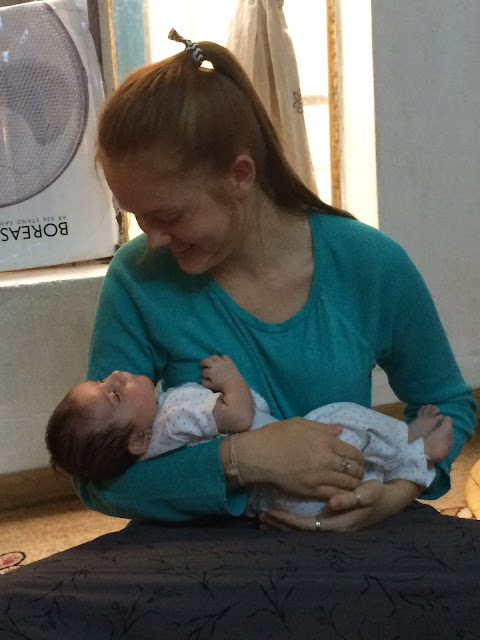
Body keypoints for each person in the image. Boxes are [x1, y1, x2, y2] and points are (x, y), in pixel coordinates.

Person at [71, 31, 477, 534]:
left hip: (348, 534)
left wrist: (397, 492)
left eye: (169, 216)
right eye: (136, 216)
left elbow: (449, 403)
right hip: (205, 550)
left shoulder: (369, 264)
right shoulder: (137, 277)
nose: (151, 240)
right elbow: (97, 476)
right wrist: (245, 458)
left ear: (240, 176)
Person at [46, 354, 453, 521]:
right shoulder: (177, 414)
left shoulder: (140, 451)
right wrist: (230, 379)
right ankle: (410, 443)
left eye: (103, 380)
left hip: (276, 506)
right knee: (342, 420)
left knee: (352, 482)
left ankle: (405, 471)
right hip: (299, 452)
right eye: (113, 394)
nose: (115, 375)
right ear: (135, 440)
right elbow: (238, 416)